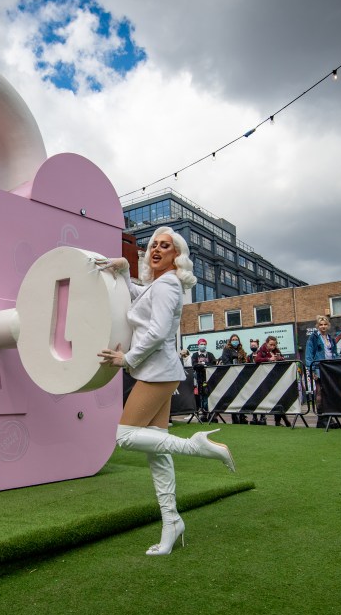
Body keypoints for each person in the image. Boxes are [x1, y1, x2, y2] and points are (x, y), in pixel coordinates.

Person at [96, 227, 235, 557]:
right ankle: (171, 522)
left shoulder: (169, 284)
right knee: (157, 453)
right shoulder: (157, 285)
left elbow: (158, 331)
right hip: (155, 370)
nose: (156, 249)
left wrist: (126, 358)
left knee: (125, 436)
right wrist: (125, 271)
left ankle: (196, 445)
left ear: (177, 255)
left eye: (165, 246)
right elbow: (140, 300)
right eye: (153, 245)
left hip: (156, 370)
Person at [304, 316, 337, 429]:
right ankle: (321, 418)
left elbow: (334, 354)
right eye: (321, 324)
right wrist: (312, 369)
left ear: (328, 325)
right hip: (318, 367)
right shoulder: (313, 338)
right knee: (319, 393)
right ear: (317, 326)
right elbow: (308, 355)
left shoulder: (331, 338)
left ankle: (327, 417)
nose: (323, 326)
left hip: (329, 368)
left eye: (325, 324)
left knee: (328, 393)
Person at [253, 336, 292, 426]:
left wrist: (280, 359)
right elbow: (257, 360)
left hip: (276, 377)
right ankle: (283, 420)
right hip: (266, 379)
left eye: (274, 345)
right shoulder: (262, 350)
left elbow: (283, 358)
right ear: (266, 343)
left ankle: (279, 421)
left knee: (279, 400)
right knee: (274, 400)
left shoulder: (276, 351)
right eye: (271, 344)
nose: (272, 347)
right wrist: (268, 359)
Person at [219, 334, 248, 424]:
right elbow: (225, 360)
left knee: (242, 396)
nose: (235, 341)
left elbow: (244, 360)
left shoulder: (241, 350)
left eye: (236, 339)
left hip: (241, 376)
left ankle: (243, 416)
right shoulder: (227, 349)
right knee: (233, 396)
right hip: (231, 375)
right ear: (230, 341)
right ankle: (234, 416)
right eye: (233, 339)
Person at [190, 338, 217, 420]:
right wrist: (203, 365)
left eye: (204, 344)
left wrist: (202, 364)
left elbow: (213, 363)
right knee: (201, 396)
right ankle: (203, 413)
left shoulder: (210, 354)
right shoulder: (195, 355)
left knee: (209, 395)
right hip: (199, 378)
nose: (203, 345)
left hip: (209, 378)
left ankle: (211, 413)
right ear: (198, 345)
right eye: (201, 344)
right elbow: (194, 365)